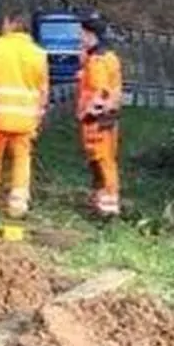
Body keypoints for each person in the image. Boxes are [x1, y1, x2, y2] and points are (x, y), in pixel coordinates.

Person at [0, 9, 49, 218]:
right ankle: (18, 205)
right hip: (26, 119)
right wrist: (39, 116)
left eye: (4, 22)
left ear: (10, 23)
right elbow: (43, 91)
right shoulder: (39, 54)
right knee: (22, 159)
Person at [76, 11, 122, 216]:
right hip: (108, 119)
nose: (79, 38)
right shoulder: (109, 57)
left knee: (101, 161)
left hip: (96, 121)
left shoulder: (97, 61)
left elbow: (99, 93)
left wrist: (87, 114)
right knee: (105, 161)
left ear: (90, 34)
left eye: (81, 34)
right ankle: (104, 202)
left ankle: (107, 207)